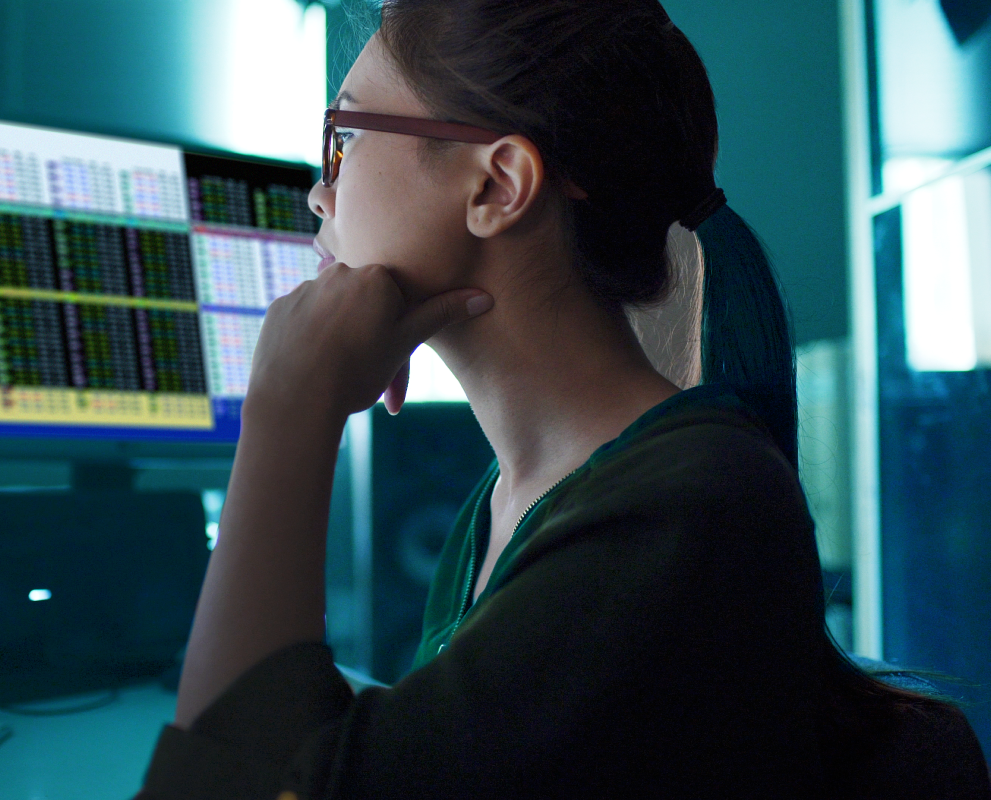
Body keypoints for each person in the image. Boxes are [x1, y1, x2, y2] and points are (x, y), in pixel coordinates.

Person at [134, 1, 991, 797]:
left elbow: (228, 784)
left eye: (345, 138)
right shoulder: (507, 500)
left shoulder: (687, 510)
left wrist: (290, 404)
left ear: (496, 185)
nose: (319, 191)